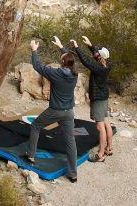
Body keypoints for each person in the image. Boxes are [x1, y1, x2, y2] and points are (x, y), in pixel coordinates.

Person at [25, 36, 79, 182]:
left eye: (62, 56)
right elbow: (70, 58)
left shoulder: (57, 74)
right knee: (70, 142)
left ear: (62, 62)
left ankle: (30, 155)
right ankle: (73, 175)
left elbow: (37, 66)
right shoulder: (75, 73)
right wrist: (61, 46)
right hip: (69, 112)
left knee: (36, 126)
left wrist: (34, 51)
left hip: (56, 110)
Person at [71, 35, 113, 162]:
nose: (96, 55)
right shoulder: (107, 64)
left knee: (100, 127)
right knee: (106, 122)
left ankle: (101, 154)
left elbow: (86, 61)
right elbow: (97, 56)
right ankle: (109, 148)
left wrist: (77, 47)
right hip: (104, 97)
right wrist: (90, 45)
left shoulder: (98, 68)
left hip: (99, 99)